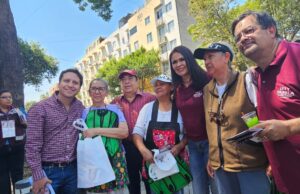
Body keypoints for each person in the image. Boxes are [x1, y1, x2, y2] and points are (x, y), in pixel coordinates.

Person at [231, 10, 300, 194]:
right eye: (238, 37)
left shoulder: (297, 56)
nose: (243, 39)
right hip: (285, 180)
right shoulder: (257, 75)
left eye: (249, 31)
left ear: (271, 30)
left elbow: (285, 125)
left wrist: (289, 128)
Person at [194, 42, 270, 194]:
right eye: (204, 59)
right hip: (220, 168)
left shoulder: (246, 81)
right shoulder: (207, 90)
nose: (206, 62)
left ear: (226, 57)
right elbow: (212, 127)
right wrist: (212, 156)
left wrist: (272, 159)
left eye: (210, 56)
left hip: (250, 165)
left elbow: (263, 121)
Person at [25, 68, 85, 194]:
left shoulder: (80, 108)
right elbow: (32, 145)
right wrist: (38, 175)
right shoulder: (40, 108)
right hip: (48, 171)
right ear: (59, 84)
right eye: (66, 81)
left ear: (79, 87)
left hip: (73, 170)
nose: (70, 85)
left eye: (75, 82)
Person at [169, 46, 217, 194]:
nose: (179, 64)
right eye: (174, 62)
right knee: (199, 189)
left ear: (189, 59)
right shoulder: (176, 89)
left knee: (217, 187)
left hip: (211, 142)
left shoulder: (207, 79)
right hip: (193, 146)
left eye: (182, 59)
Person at [133, 74, 191, 194]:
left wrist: (179, 146)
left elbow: (188, 134)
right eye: (156, 85)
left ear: (171, 87)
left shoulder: (180, 109)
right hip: (154, 164)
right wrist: (143, 150)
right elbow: (137, 133)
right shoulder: (147, 109)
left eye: (162, 84)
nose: (158, 87)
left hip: (175, 165)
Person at [81, 78, 129, 194]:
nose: (97, 92)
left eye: (101, 89)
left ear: (106, 92)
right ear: (89, 92)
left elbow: (124, 132)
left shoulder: (116, 109)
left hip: (115, 158)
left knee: (118, 190)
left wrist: (96, 131)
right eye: (94, 89)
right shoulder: (84, 112)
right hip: (93, 161)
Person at [111, 69, 155, 194]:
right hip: (127, 147)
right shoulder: (115, 102)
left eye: (130, 79)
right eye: (123, 80)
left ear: (137, 81)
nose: (126, 82)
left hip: (147, 145)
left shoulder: (149, 98)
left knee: (151, 179)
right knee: (132, 182)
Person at [0, 89, 27, 194]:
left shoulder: (18, 111)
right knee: (2, 177)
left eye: (10, 97)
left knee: (18, 176)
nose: (8, 99)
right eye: (4, 97)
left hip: (17, 148)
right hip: (1, 149)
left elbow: (26, 125)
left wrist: (23, 121)